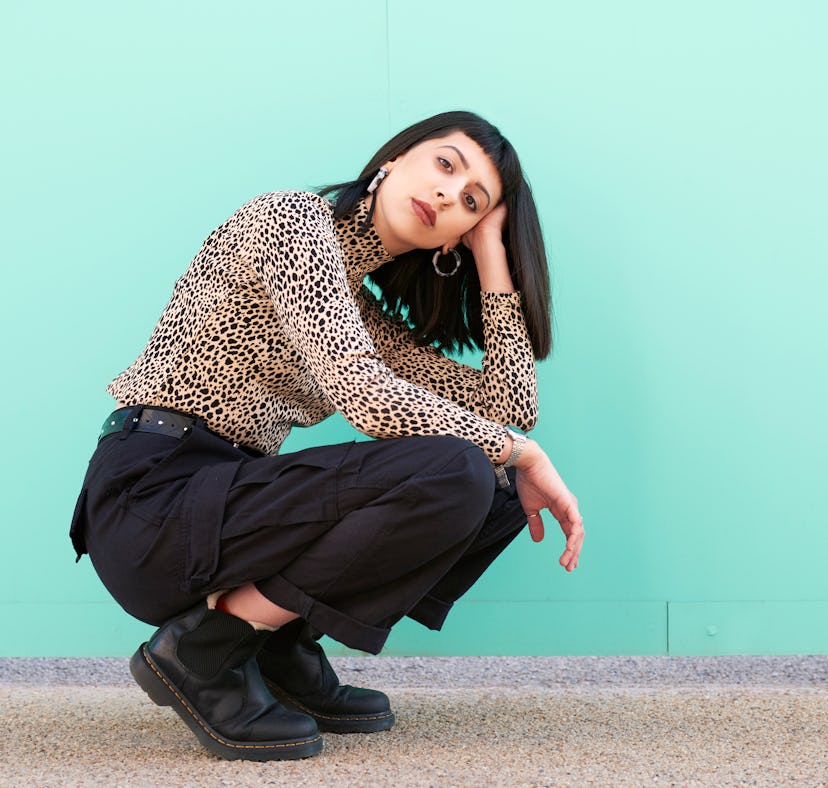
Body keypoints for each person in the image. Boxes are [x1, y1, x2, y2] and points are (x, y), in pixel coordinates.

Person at [69, 110, 585, 761]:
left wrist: (490, 253)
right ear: (394, 159)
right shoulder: (291, 221)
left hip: (226, 508)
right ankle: (207, 647)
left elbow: (511, 404)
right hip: (153, 500)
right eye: (446, 165)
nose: (449, 194)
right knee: (467, 464)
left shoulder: (358, 310)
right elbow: (369, 398)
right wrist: (522, 450)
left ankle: (277, 642)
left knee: (499, 482)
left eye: (471, 202)